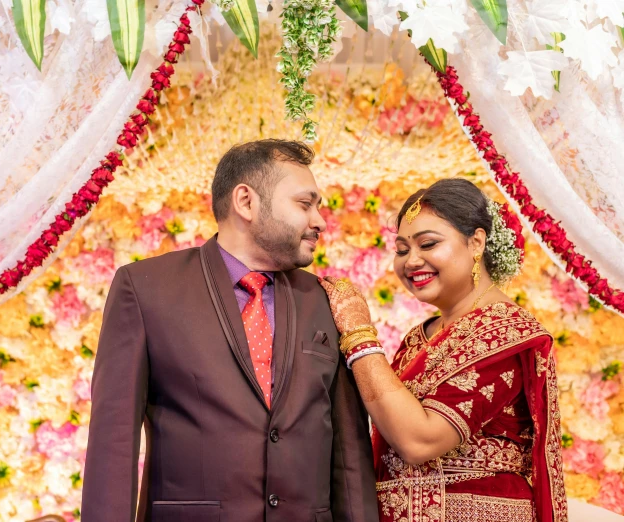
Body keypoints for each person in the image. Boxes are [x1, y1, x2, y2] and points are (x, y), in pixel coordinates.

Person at [82, 139, 379, 522]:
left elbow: (349, 451)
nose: (319, 221)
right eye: (305, 204)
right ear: (246, 202)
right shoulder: (145, 288)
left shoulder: (325, 300)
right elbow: (114, 440)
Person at [319, 178, 568, 522]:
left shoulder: (505, 333)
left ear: (476, 242)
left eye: (428, 244)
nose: (411, 261)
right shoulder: (419, 338)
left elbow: (419, 441)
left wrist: (358, 333)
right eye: (403, 249)